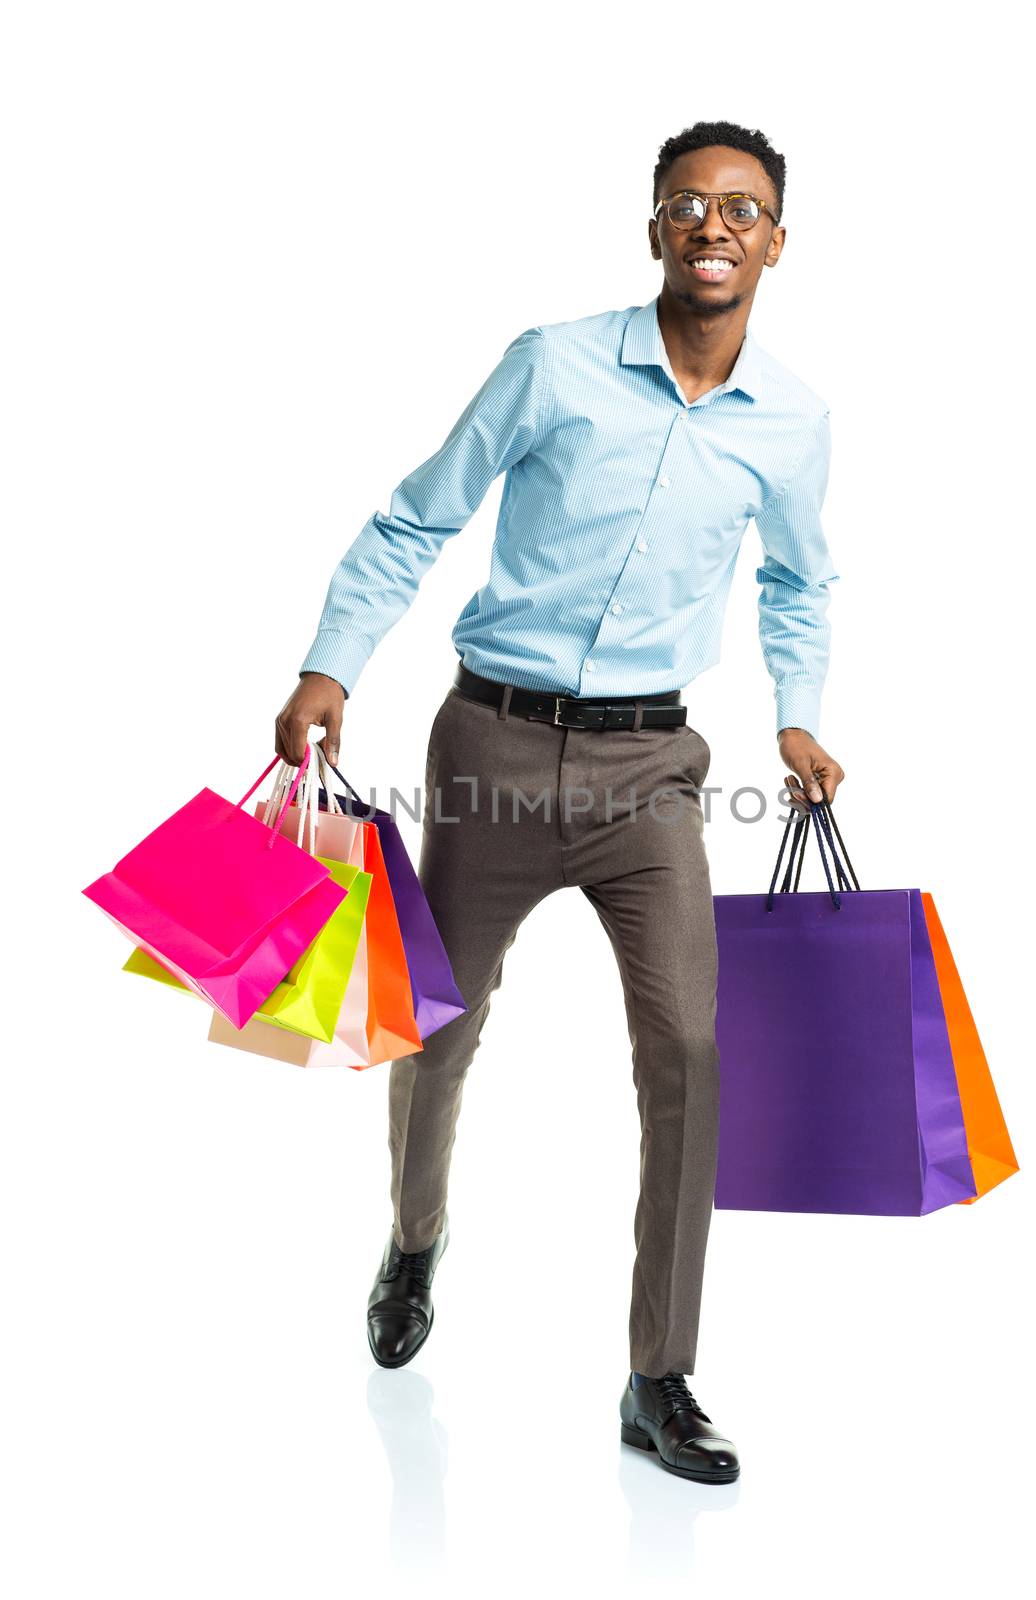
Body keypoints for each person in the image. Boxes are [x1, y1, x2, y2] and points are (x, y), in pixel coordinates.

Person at [274, 118, 846, 1485]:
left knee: (690, 1056)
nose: (714, 226)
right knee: (433, 1030)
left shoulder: (796, 422)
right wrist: (326, 667)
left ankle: (659, 1375)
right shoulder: (555, 364)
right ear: (655, 229)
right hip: (494, 747)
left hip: (656, 773)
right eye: (688, 204)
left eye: (742, 208)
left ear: (778, 241)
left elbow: (800, 580)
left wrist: (798, 708)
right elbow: (419, 516)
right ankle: (416, 1241)